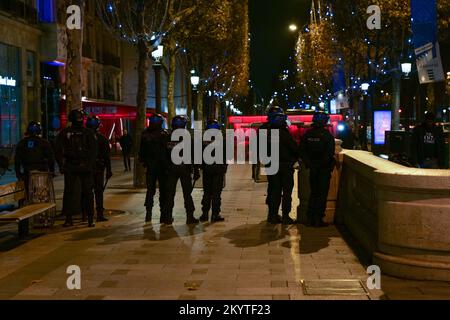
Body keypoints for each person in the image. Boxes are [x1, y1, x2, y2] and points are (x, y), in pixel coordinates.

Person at [55, 109, 98, 228]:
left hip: (81, 166)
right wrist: (61, 165)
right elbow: (58, 150)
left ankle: (88, 218)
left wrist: (89, 164)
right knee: (72, 193)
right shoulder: (67, 133)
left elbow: (94, 151)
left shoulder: (87, 133)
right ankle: (73, 218)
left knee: (87, 193)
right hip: (72, 166)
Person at [299, 112, 336, 227]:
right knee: (322, 194)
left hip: (312, 169)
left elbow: (302, 151)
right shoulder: (327, 136)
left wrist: (310, 165)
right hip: (323, 170)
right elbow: (330, 154)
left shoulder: (307, 134)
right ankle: (318, 218)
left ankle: (310, 218)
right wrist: (321, 165)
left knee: (313, 193)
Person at [266, 112, 299, 225]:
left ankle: (273, 215)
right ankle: (285, 216)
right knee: (286, 192)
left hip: (272, 166)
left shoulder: (268, 133)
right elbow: (294, 148)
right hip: (285, 166)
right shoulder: (285, 134)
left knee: (275, 191)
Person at [165, 115, 200, 225]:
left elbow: (164, 155)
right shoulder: (188, 138)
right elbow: (195, 156)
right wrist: (196, 170)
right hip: (184, 169)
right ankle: (190, 216)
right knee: (187, 194)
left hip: (171, 170)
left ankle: (168, 216)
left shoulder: (167, 137)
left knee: (170, 194)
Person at [139, 114, 170, 223]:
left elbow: (141, 152)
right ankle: (163, 215)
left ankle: (149, 214)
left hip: (152, 167)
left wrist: (144, 163)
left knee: (150, 191)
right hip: (162, 167)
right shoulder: (164, 134)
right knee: (163, 191)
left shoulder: (145, 134)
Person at [85, 115, 113, 222]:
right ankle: (98, 214)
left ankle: (87, 214)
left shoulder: (85, 137)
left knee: (88, 192)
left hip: (89, 168)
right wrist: (109, 170)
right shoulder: (101, 138)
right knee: (98, 192)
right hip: (97, 168)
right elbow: (106, 156)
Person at [199, 119, 227, 223]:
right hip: (218, 170)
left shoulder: (203, 140)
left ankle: (205, 214)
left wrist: (201, 166)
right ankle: (215, 214)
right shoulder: (222, 140)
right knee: (216, 194)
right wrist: (224, 167)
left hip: (207, 170)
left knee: (207, 193)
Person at [14, 122, 55, 192]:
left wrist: (18, 173)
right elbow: (51, 158)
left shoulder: (22, 143)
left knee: (27, 194)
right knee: (42, 193)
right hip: (42, 172)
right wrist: (52, 171)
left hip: (27, 172)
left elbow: (17, 159)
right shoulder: (44, 142)